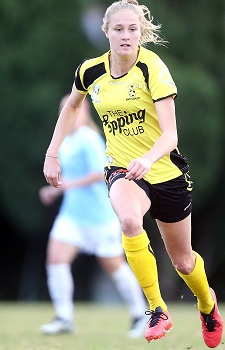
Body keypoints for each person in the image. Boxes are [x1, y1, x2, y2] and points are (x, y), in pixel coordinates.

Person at [43, 0, 224, 348]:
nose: (126, 35)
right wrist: (52, 153)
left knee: (184, 263)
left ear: (141, 32)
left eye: (133, 29)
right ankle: (157, 309)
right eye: (119, 29)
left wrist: (149, 159)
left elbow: (171, 135)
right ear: (106, 32)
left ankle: (207, 305)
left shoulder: (152, 68)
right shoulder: (89, 70)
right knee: (128, 221)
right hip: (122, 170)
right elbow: (71, 108)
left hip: (166, 173)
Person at [39, 94, 148, 339]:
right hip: (72, 215)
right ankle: (64, 318)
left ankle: (141, 315)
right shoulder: (65, 142)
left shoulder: (90, 139)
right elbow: (67, 179)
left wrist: (65, 186)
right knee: (56, 259)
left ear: (84, 110)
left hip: (100, 216)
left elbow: (101, 173)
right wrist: (55, 191)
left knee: (113, 266)